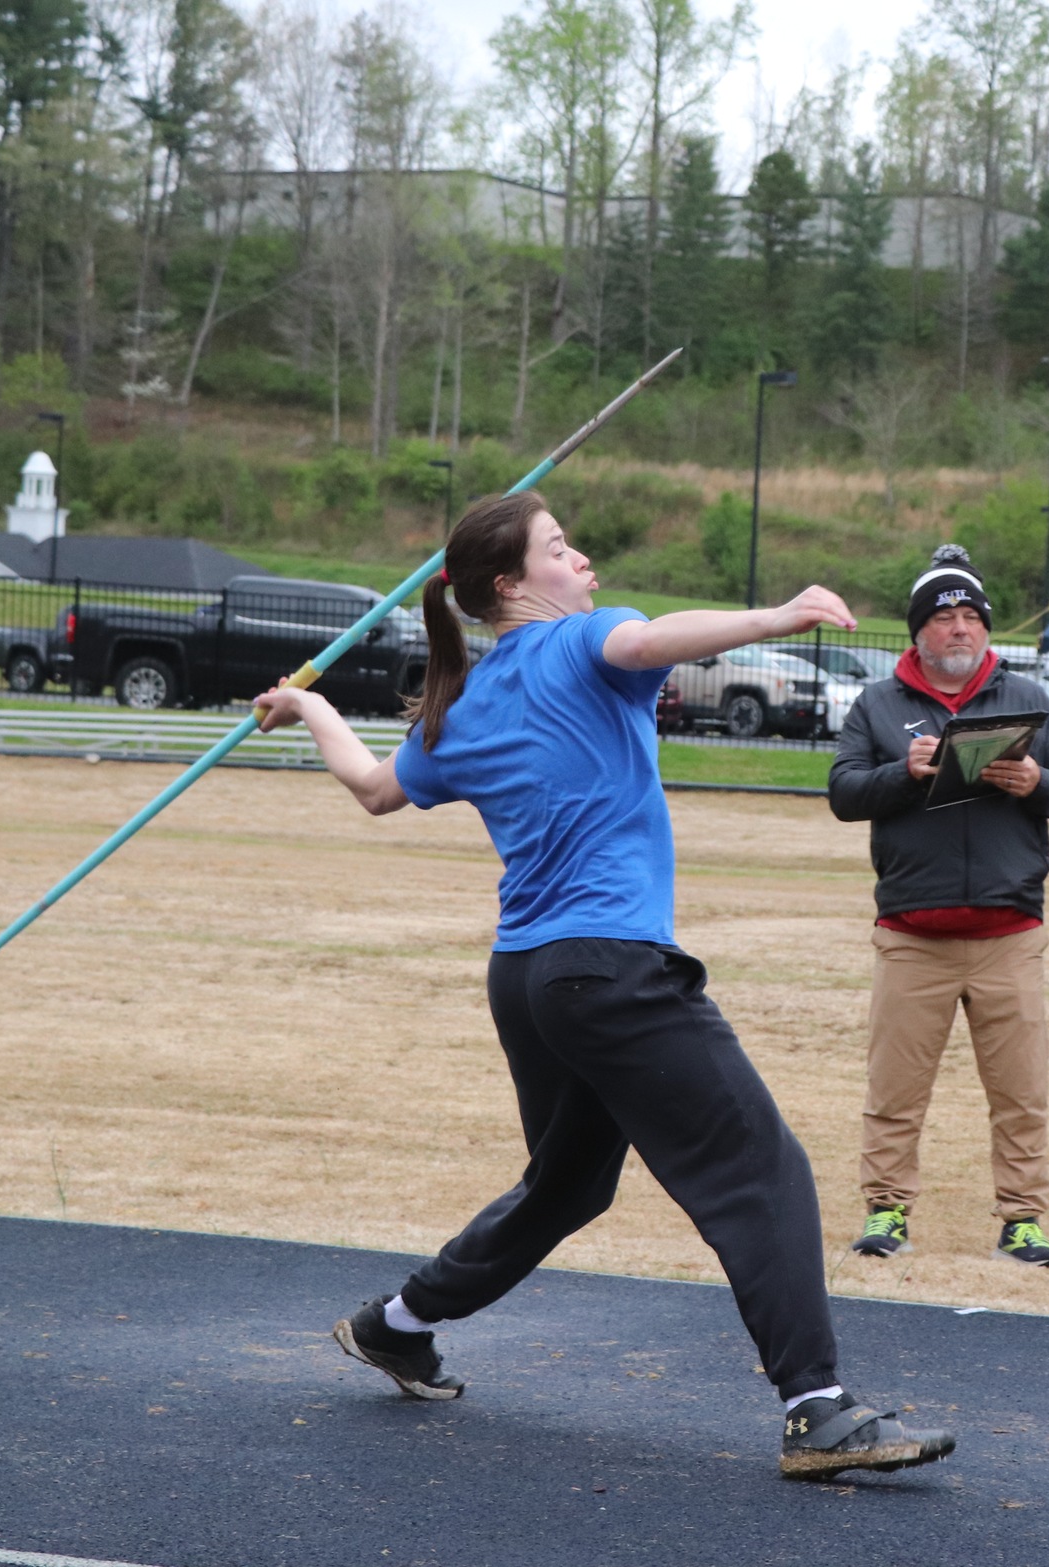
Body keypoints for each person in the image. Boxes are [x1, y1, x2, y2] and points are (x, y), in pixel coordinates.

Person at [254, 490, 954, 1481]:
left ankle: (395, 1323)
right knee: (760, 1169)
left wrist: (309, 706)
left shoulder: (465, 704)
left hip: (530, 977)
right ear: (510, 583)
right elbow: (649, 642)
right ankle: (815, 1408)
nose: (579, 556)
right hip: (607, 968)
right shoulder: (585, 642)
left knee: (570, 1182)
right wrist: (776, 616)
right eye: (557, 545)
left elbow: (373, 789)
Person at [827, 545, 1049, 1268]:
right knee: (895, 1087)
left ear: (985, 629)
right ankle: (886, 1208)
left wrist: (1036, 779)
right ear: (918, 632)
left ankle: (1023, 1219)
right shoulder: (879, 705)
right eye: (942, 616)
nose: (957, 628)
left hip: (1009, 930)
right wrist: (901, 772)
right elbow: (843, 792)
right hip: (911, 931)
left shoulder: (1029, 700)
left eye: (969, 615)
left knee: (1021, 1092)